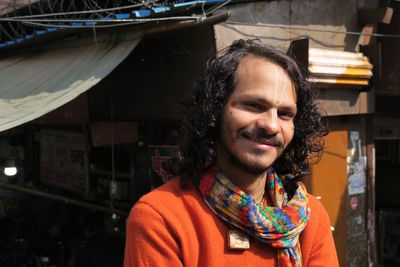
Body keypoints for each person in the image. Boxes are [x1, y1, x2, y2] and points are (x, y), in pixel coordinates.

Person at [124, 39, 339, 266]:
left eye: (285, 114)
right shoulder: (162, 218)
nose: (272, 125)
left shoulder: (309, 217)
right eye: (254, 105)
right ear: (216, 110)